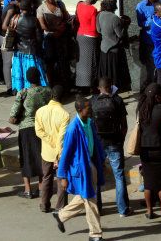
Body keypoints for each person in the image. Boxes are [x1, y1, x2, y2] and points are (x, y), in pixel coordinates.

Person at [53, 96, 105, 241]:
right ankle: (95, 234)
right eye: (88, 107)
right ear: (80, 110)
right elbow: (66, 155)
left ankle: (61, 215)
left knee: (85, 196)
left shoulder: (90, 123)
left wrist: (102, 159)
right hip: (81, 171)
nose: (91, 109)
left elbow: (96, 143)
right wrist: (62, 176)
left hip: (91, 165)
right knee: (90, 199)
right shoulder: (73, 129)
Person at [92, 77, 132, 217]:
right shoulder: (118, 100)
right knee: (119, 176)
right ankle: (122, 209)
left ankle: (98, 208)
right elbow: (124, 126)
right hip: (115, 143)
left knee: (96, 177)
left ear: (99, 88)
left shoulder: (93, 101)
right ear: (111, 87)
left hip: (99, 144)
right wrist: (121, 140)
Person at [9, 67, 51, 199]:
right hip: (43, 127)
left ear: (27, 79)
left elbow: (12, 117)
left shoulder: (23, 93)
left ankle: (28, 190)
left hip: (26, 129)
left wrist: (16, 121)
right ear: (39, 77)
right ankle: (40, 187)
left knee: (26, 157)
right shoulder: (48, 91)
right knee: (41, 156)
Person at [138, 83, 161, 219]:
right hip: (159, 150)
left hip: (145, 150)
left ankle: (149, 211)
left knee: (148, 183)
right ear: (157, 96)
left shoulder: (142, 109)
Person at [34, 85, 69, 212]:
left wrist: (50, 141)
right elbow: (61, 138)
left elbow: (38, 131)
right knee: (61, 180)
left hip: (46, 152)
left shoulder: (40, 111)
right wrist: (58, 155)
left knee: (46, 177)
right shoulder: (64, 114)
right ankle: (61, 207)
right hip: (60, 153)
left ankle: (44, 204)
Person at [136, 0, 161, 92]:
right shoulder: (141, 6)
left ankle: (158, 89)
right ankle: (147, 90)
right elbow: (140, 23)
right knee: (149, 67)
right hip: (148, 41)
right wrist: (153, 20)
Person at [11, 0, 48, 92]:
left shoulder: (15, 18)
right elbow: (39, 38)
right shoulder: (34, 20)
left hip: (18, 52)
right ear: (30, 7)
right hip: (30, 52)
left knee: (20, 74)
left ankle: (20, 93)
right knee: (33, 75)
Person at [37, 0, 70, 87]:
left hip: (61, 37)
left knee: (62, 62)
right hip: (49, 38)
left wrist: (62, 28)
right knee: (50, 61)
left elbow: (66, 17)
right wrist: (55, 30)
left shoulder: (60, 4)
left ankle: (64, 84)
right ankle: (51, 85)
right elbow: (43, 26)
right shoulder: (41, 9)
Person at [98, 0, 131, 92]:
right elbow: (120, 35)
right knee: (114, 76)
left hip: (103, 50)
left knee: (105, 76)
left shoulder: (99, 15)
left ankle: (104, 93)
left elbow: (98, 30)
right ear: (113, 5)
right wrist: (125, 25)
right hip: (114, 51)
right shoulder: (114, 18)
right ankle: (113, 94)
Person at [75, 0, 100, 94]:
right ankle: (91, 87)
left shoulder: (79, 5)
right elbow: (95, 28)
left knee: (81, 63)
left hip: (80, 36)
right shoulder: (93, 10)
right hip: (91, 38)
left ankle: (81, 87)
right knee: (92, 63)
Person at [0, 0, 26, 95]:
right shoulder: (11, 10)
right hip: (5, 37)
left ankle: (14, 85)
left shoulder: (15, 7)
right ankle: (9, 88)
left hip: (11, 36)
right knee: (7, 63)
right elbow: (4, 26)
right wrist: (17, 30)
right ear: (18, 2)